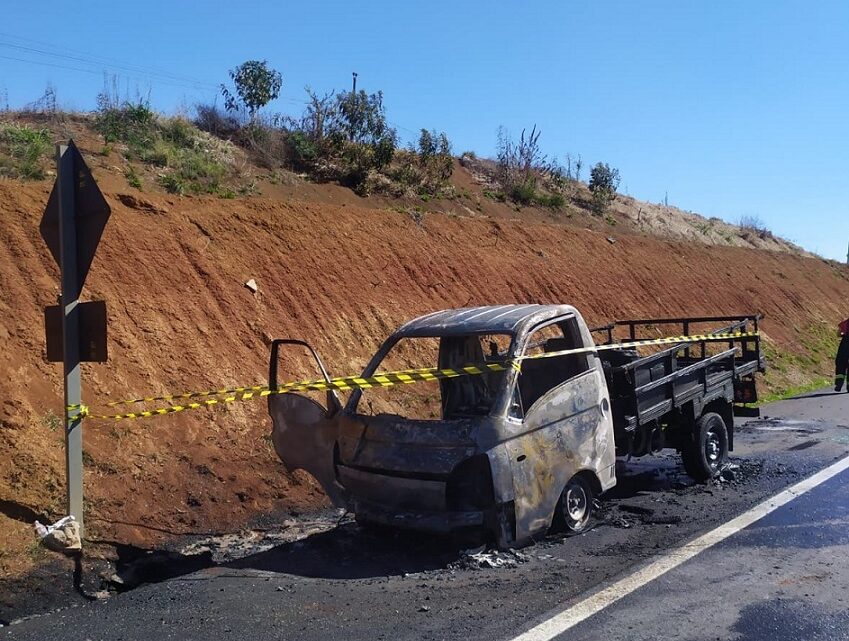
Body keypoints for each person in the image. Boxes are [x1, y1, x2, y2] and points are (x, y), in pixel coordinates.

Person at [835, 318, 849, 392]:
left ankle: (839, 383)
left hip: (845, 344)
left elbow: (838, 334)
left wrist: (842, 334)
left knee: (841, 362)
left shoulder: (846, 323)